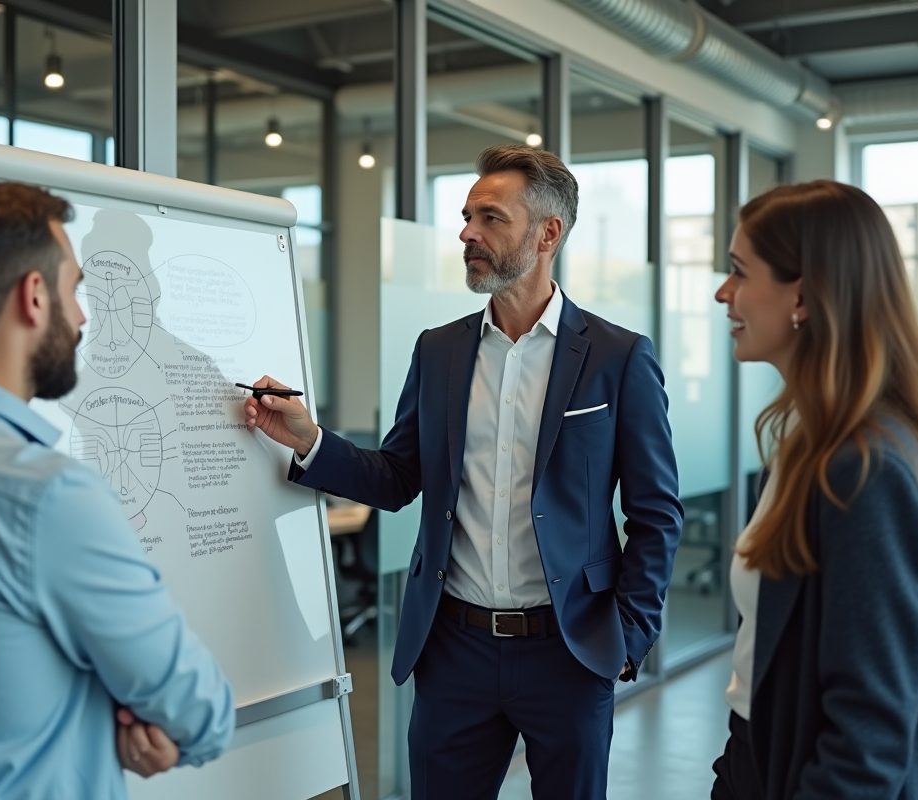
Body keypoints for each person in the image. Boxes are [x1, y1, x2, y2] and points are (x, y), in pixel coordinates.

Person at [246, 145, 683, 799]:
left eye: (490, 218)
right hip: (455, 649)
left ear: (547, 234)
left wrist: (629, 634)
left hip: (569, 649)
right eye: (466, 216)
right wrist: (311, 441)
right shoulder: (439, 350)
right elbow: (397, 477)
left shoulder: (618, 358)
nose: (466, 233)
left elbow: (656, 513)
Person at [0, 183, 235, 799]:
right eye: (74, 289)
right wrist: (130, 720)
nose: (84, 315)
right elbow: (199, 710)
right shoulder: (46, 496)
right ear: (34, 296)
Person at [709, 180, 918, 799]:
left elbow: (868, 733)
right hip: (759, 753)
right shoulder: (805, 440)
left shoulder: (864, 466)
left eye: (739, 272)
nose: (725, 293)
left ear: (803, 294)